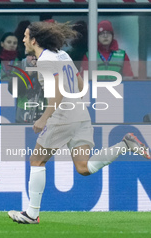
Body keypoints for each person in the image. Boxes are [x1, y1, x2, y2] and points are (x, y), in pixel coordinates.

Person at [8, 21, 150, 224]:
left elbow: (56, 95)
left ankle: (31, 214)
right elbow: (81, 83)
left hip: (63, 115)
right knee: (84, 167)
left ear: (34, 40)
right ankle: (124, 144)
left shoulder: (45, 61)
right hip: (80, 113)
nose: (23, 39)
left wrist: (43, 118)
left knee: (36, 161)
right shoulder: (62, 55)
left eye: (26, 36)